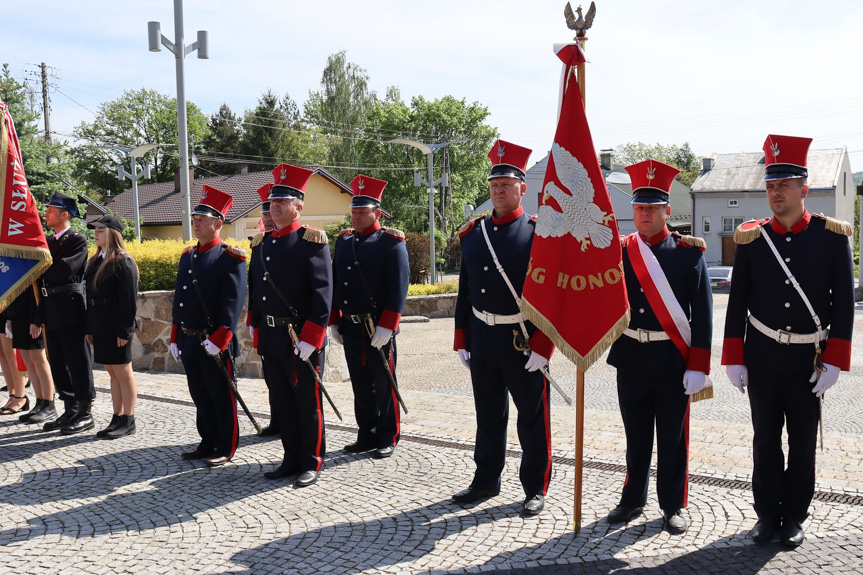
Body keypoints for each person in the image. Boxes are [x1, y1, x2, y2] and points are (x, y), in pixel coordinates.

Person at [722, 134, 854, 547]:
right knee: (765, 439)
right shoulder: (751, 239)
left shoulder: (832, 237)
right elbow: (737, 300)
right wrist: (733, 357)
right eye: (770, 186)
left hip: (806, 361)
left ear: (804, 188)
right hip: (762, 357)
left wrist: (835, 360)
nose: (775, 193)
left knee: (801, 442)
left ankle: (795, 515)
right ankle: (766, 515)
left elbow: (844, 305)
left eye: (783, 185)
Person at [605, 159, 713, 535]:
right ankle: (632, 499)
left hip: (671, 362)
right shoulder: (618, 252)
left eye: (652, 207)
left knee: (672, 440)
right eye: (639, 206)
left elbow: (702, 313)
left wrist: (698, 366)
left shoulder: (688, 253)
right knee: (636, 438)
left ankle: (672, 505)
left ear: (668, 210)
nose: (645, 213)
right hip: (631, 357)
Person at [452, 139, 555, 517]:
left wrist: (545, 344)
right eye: (494, 185)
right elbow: (465, 290)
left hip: (523, 340)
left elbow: (553, 294)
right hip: (483, 337)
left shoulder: (538, 233)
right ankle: (485, 481)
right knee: (488, 415)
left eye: (506, 185)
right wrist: (462, 337)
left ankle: (535, 486)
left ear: (522, 188)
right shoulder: (473, 233)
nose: (498, 191)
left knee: (532, 417)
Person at [251, 163, 332, 487]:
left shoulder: (311, 241)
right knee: (282, 399)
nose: (276, 207)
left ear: (299, 205)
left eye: (283, 202)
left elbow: (323, 293)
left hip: (301, 337)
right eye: (273, 202)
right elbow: (256, 294)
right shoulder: (262, 244)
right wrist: (259, 334)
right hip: (273, 335)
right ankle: (289, 457)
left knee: (307, 402)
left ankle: (310, 461)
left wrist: (312, 337)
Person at [329, 174, 409, 459]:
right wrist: (334, 320)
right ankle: (367, 434)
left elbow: (399, 287)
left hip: (378, 326)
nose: (357, 215)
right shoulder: (344, 241)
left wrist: (388, 326)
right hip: (351, 327)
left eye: (363, 210)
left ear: (377, 211)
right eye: (354, 210)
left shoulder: (390, 241)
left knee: (384, 382)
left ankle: (388, 435)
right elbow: (337, 282)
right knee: (360, 384)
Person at [170, 185, 247, 467]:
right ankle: (207, 440)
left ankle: (226, 445)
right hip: (190, 340)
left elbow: (232, 304)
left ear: (218, 223)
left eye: (202, 219)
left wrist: (221, 338)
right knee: (200, 395)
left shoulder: (231, 257)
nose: (196, 223)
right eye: (195, 218)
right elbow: (180, 300)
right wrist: (175, 336)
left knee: (221, 397)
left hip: (214, 342)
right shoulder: (188, 255)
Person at [37, 192, 95, 434]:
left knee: (78, 360)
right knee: (58, 362)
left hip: (70, 305)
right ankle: (69, 408)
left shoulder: (77, 240)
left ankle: (85, 412)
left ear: (64, 215)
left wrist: (40, 270)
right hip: (51, 307)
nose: (45, 213)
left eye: (50, 210)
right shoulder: (48, 242)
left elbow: (63, 271)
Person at [84, 214, 139, 439]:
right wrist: (89, 327)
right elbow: (89, 297)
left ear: (111, 233)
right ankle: (117, 417)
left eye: (100, 230)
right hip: (100, 323)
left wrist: (124, 330)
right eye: (95, 230)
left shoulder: (123, 261)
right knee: (112, 373)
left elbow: (129, 300)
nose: (95, 234)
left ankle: (129, 418)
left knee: (123, 372)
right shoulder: (96, 260)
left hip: (116, 324)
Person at [247, 183, 280, 437]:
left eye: (271, 213)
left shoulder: (302, 241)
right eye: (264, 214)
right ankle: (278, 421)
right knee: (273, 379)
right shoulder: (258, 246)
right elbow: (254, 287)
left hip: (292, 327)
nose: (267, 218)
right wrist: (253, 320)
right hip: (267, 325)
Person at [6, 288, 55, 424]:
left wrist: (37, 320)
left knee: (38, 358)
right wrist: (10, 316)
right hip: (18, 313)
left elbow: (38, 293)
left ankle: (49, 403)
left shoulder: (33, 266)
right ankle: (40, 402)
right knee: (27, 358)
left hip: (33, 314)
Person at [0, 310, 28, 415]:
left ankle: (20, 396)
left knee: (11, 355)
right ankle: (12, 395)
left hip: (8, 309)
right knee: (2, 354)